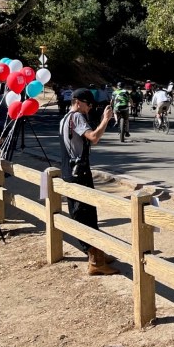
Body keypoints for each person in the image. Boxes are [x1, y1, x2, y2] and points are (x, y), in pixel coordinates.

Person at [59, 88, 117, 276]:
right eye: (88, 104)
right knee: (85, 215)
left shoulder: (64, 118)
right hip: (79, 173)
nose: (89, 109)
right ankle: (95, 261)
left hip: (70, 170)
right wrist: (105, 119)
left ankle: (97, 252)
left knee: (85, 212)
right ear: (78, 102)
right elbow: (93, 138)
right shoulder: (76, 117)